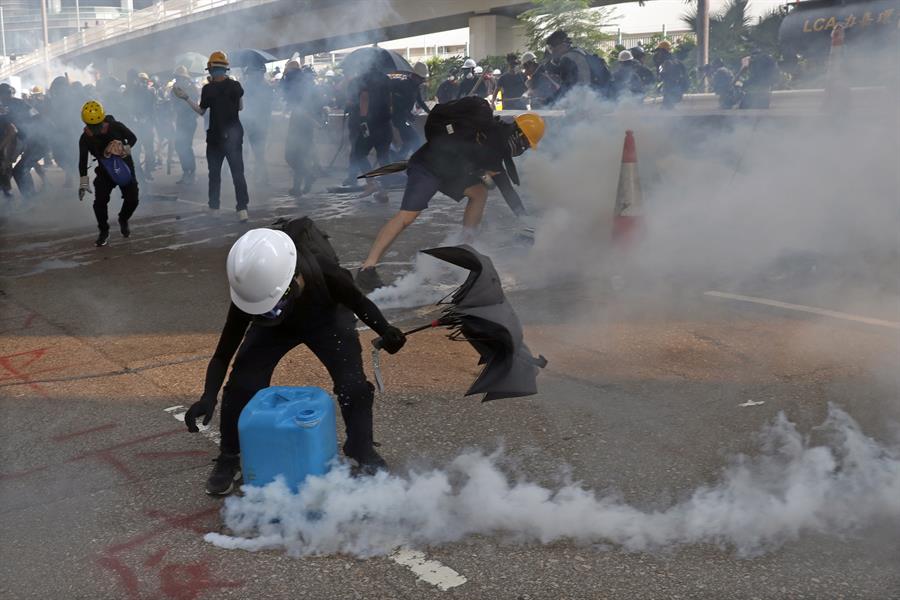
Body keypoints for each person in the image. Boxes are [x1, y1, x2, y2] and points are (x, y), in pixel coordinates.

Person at [183, 220, 408, 494]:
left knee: (354, 387)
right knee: (242, 384)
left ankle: (360, 448)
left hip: (327, 320)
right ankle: (229, 456)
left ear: (292, 281)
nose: (268, 310)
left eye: (272, 306)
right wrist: (208, 396)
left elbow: (359, 302)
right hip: (275, 331)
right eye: (262, 309)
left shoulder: (325, 271)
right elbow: (223, 354)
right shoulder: (254, 288)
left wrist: (385, 329)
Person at [355, 100, 545, 292]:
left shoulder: (496, 138)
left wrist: (525, 220)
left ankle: (464, 252)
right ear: (519, 135)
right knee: (407, 217)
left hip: (450, 172)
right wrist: (524, 218)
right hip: (428, 167)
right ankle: (366, 269)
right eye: (526, 144)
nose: (524, 149)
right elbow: (506, 188)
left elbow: (505, 186)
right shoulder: (494, 139)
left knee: (479, 193)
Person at [174, 51, 250, 222]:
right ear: (225, 68)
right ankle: (242, 209)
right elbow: (240, 107)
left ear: (210, 69)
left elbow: (201, 111)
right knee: (238, 173)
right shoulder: (235, 86)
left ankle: (214, 208)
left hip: (215, 137)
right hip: (234, 136)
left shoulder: (208, 89)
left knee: (214, 174)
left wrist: (186, 98)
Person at [77, 100, 140, 247]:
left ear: (103, 120)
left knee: (133, 199)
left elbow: (133, 138)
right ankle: (103, 231)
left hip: (124, 165)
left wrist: (125, 148)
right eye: (91, 126)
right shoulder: (85, 138)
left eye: (98, 125)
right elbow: (82, 160)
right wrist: (83, 183)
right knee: (99, 202)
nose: (95, 129)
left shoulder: (116, 126)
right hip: (105, 171)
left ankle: (123, 219)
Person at [344, 63, 392, 196]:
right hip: (385, 123)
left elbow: (364, 99)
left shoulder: (363, 79)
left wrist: (363, 120)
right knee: (383, 156)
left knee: (359, 153)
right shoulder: (386, 79)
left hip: (371, 123)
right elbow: (390, 100)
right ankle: (384, 191)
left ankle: (371, 184)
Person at [282, 62, 325, 196]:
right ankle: (297, 187)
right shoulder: (304, 82)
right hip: (304, 123)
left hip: (301, 123)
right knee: (300, 157)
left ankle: (308, 176)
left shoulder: (297, 84)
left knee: (291, 156)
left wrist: (313, 121)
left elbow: (302, 108)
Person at [0, 82, 49, 198]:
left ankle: (30, 200)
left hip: (39, 140)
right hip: (38, 139)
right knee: (21, 169)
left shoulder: (10, 107)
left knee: (20, 170)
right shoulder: (18, 103)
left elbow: (12, 131)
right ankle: (31, 198)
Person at [545, 29, 611, 102]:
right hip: (598, 97)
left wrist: (548, 101)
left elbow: (567, 87)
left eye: (551, 48)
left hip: (585, 99)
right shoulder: (579, 52)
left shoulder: (568, 58)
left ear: (561, 46)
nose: (552, 52)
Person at [241, 63, 274, 184]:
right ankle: (259, 176)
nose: (249, 76)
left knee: (258, 152)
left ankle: (262, 177)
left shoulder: (257, 87)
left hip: (257, 123)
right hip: (251, 122)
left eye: (251, 74)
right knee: (254, 152)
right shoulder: (264, 86)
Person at [390, 61, 431, 159]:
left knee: (409, 141)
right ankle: (416, 160)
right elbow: (397, 103)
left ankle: (398, 158)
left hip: (404, 118)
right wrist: (407, 114)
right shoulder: (403, 84)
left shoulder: (415, 87)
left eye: (423, 79)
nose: (422, 81)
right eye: (421, 78)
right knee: (414, 139)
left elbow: (420, 101)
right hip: (398, 118)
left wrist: (430, 112)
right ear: (415, 76)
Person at [171, 66, 199, 184]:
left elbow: (194, 106)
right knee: (179, 146)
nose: (178, 80)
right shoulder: (175, 89)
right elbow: (174, 104)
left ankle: (191, 172)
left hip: (189, 121)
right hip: (180, 121)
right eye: (177, 78)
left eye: (180, 78)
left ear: (185, 78)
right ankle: (186, 171)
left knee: (186, 146)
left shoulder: (192, 89)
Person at [652, 40, 689, 110]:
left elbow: (661, 76)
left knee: (667, 107)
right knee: (668, 106)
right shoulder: (676, 61)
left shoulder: (666, 62)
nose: (658, 54)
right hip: (676, 88)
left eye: (660, 51)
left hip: (671, 88)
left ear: (663, 51)